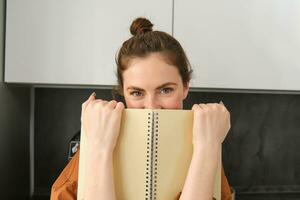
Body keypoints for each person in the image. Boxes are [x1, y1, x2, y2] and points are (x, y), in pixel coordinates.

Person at [50, 17, 233, 200]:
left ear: (185, 87)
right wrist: (99, 148)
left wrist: (207, 148)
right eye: (137, 93)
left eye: (165, 90)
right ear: (123, 92)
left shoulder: (207, 142)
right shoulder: (93, 147)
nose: (152, 107)